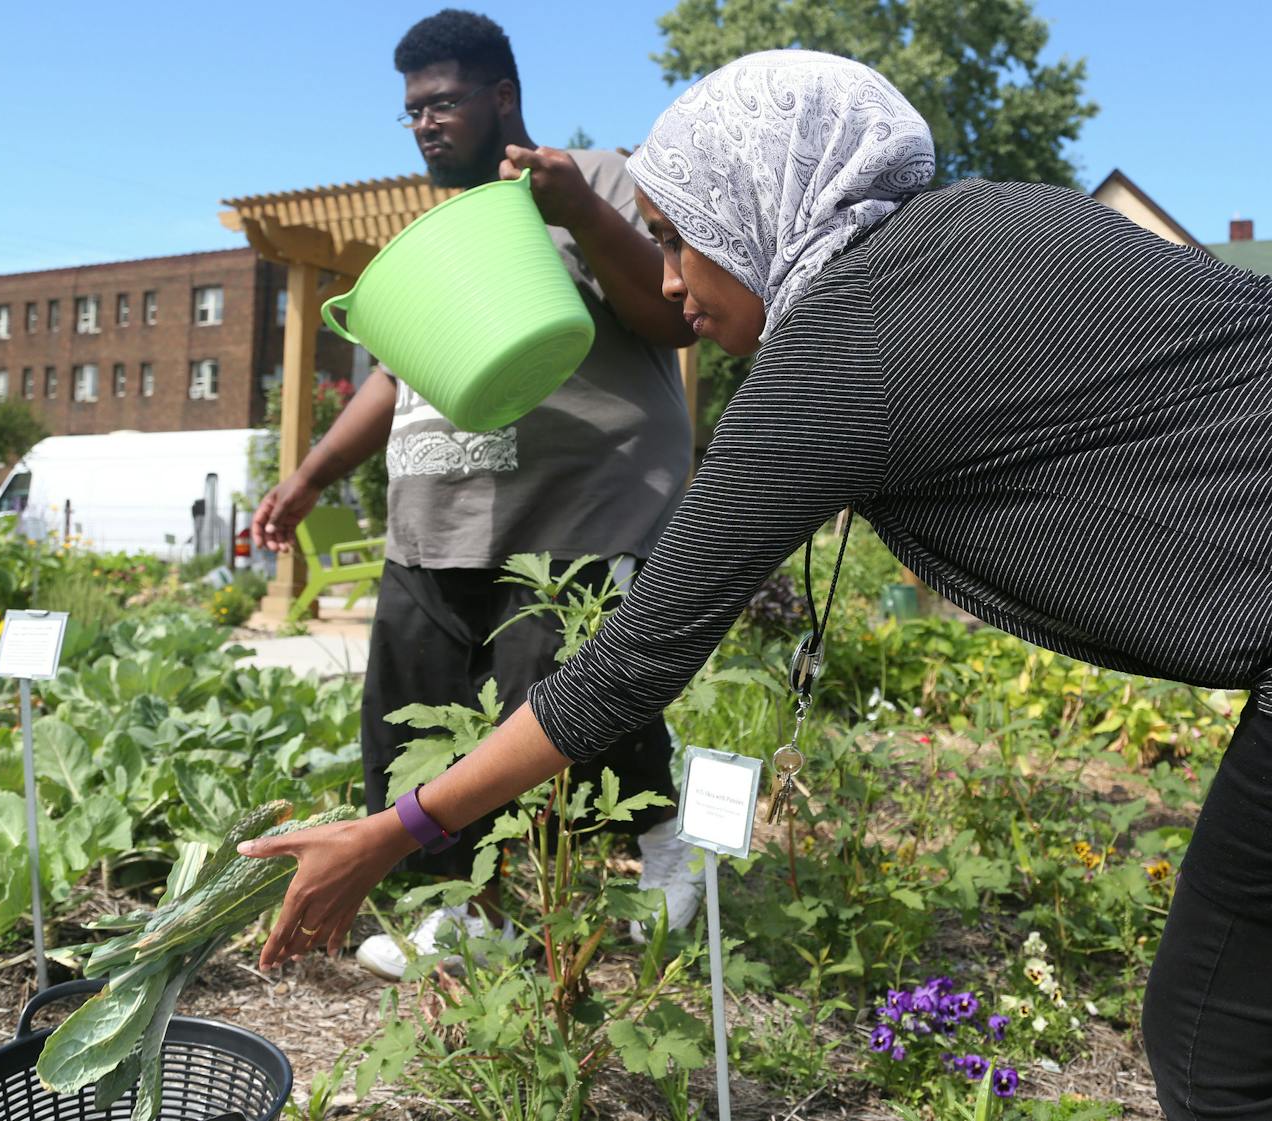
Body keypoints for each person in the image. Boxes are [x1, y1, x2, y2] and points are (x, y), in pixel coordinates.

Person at [243, 49, 1272, 1117]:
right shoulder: (1010, 215)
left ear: (752, 208)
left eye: (676, 239)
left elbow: (628, 663)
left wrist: (393, 828)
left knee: (1213, 1045)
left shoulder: (842, 346)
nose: (675, 281)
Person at [250, 9, 703, 979]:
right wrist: (307, 477)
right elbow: (391, 377)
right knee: (408, 709)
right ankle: (465, 908)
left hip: (579, 502)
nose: (422, 123)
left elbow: (670, 318)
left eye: (442, 101)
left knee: (562, 691)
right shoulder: (436, 232)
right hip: (439, 508)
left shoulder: (598, 178)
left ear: (502, 96)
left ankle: (668, 838)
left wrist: (575, 209)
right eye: (410, 109)